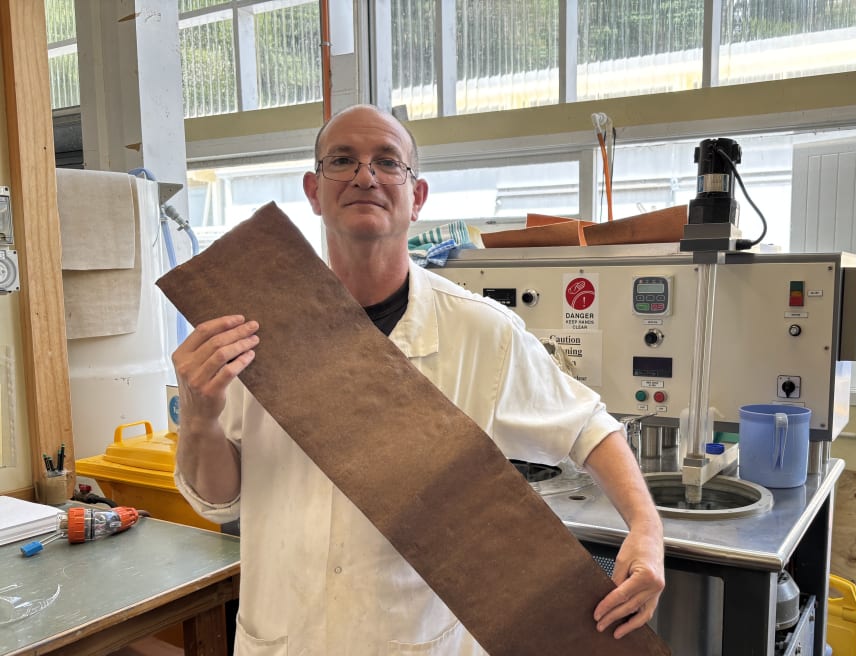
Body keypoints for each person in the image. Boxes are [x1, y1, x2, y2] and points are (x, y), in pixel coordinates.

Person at [173, 104, 665, 654]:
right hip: (288, 635)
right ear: (313, 191)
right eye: (343, 160)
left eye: (387, 162)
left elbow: (590, 429)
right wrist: (199, 415)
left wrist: (646, 528)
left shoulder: (480, 332)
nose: (365, 176)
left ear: (418, 196)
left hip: (414, 639)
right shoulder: (249, 330)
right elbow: (220, 501)